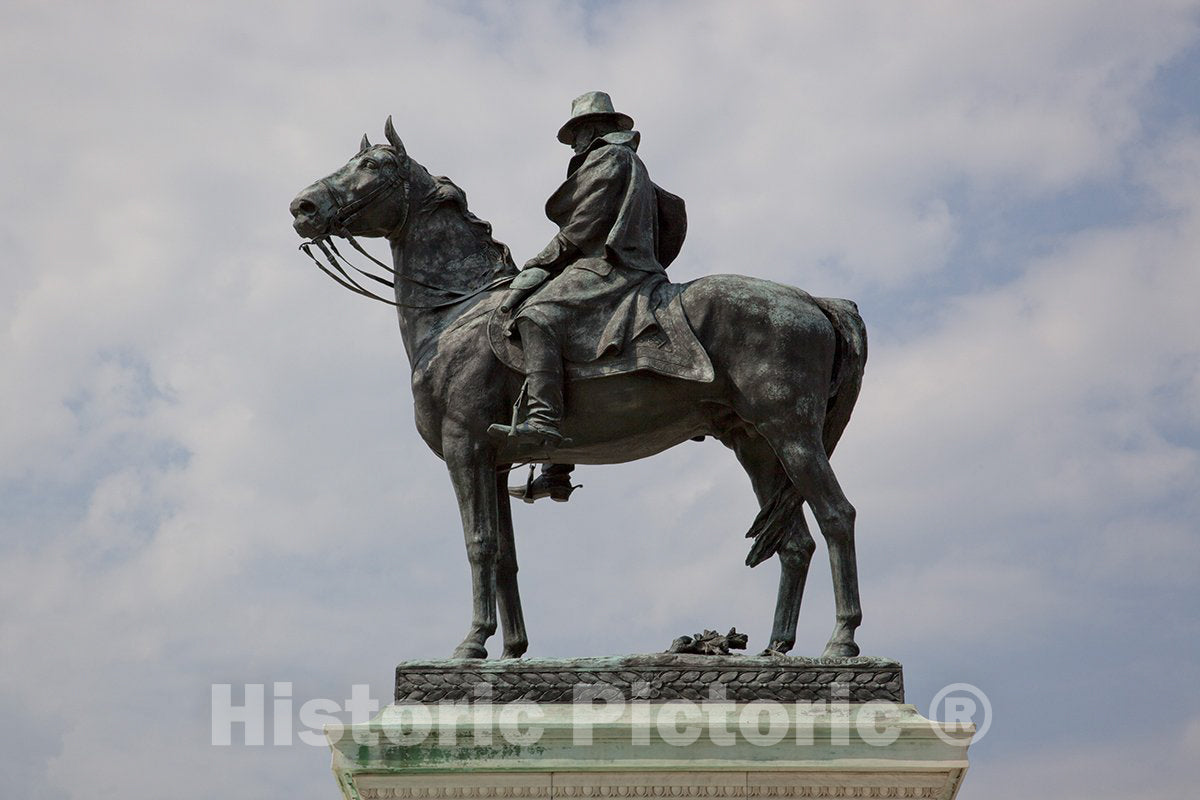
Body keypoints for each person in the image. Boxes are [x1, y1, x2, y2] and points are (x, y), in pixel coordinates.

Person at [493, 91, 687, 503]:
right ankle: (556, 470)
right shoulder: (626, 163)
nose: (575, 144)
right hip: (612, 261)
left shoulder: (610, 159)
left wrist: (538, 265)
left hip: (612, 265)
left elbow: (584, 227)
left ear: (594, 130)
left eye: (577, 134)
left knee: (536, 315)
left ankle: (543, 421)